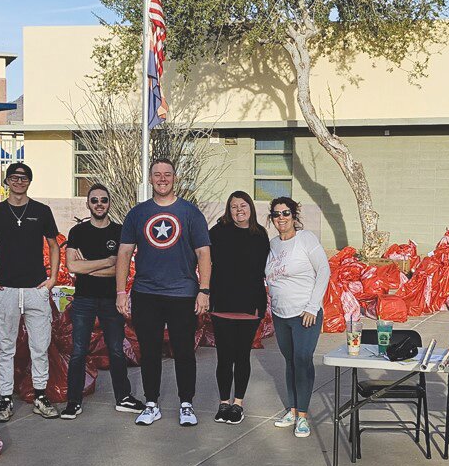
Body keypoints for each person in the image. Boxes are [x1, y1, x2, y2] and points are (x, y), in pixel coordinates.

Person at [116, 158, 211, 426]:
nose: (162, 178)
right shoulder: (137, 213)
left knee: (184, 351)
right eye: (157, 174)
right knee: (149, 351)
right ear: (150, 178)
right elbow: (124, 252)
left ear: (175, 178)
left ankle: (186, 404)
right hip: (146, 293)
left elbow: (203, 253)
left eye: (167, 174)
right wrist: (121, 292)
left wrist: (204, 290)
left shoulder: (191, 213)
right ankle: (151, 403)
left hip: (183, 294)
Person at [0, 161, 61, 422]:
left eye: (24, 177)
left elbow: (54, 245)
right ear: (6, 181)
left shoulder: (41, 211)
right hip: (6, 289)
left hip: (36, 288)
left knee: (40, 346)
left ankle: (40, 395)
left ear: (29, 181)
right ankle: (5, 399)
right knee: (6, 347)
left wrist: (51, 279)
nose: (19, 181)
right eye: (14, 177)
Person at [61, 183, 146, 419]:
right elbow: (71, 266)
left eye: (104, 200)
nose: (99, 204)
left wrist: (88, 266)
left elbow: (122, 269)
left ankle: (123, 397)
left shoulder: (120, 232)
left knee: (116, 350)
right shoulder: (77, 232)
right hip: (83, 300)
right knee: (78, 351)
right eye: (95, 200)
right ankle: (73, 401)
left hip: (111, 300)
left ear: (109, 203)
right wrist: (107, 261)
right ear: (88, 203)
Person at [264, 196, 330, 438]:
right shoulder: (272, 245)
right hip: (281, 314)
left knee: (302, 359)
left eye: (286, 213)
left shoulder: (306, 239)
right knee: (290, 361)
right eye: (277, 214)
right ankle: (291, 409)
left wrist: (313, 306)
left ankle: (302, 416)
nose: (281, 218)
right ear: (272, 218)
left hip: (305, 313)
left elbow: (324, 270)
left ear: (294, 215)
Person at [208, 190, 270, 425]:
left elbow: (267, 269)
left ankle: (238, 404)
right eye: (234, 206)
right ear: (228, 209)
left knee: (242, 356)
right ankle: (223, 403)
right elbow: (202, 258)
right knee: (223, 357)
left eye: (243, 205)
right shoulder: (218, 232)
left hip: (249, 306)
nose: (239, 210)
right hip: (222, 304)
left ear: (251, 208)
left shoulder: (259, 234)